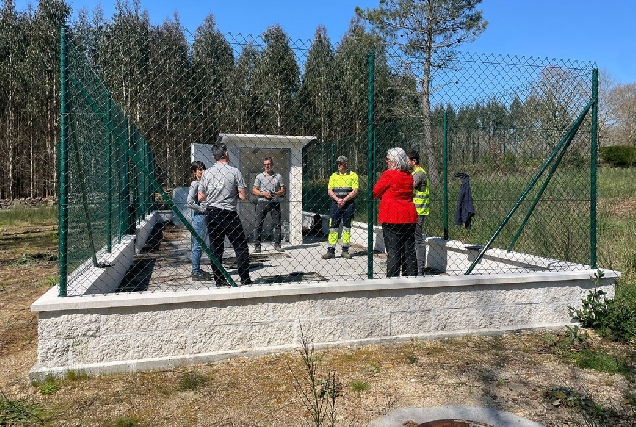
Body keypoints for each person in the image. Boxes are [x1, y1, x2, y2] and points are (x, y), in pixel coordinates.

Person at [198, 143, 252, 286]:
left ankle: (219, 280)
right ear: (226, 154)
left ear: (213, 157)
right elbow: (243, 196)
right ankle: (245, 279)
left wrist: (214, 195)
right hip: (228, 213)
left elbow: (200, 197)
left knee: (216, 247)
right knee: (240, 246)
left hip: (211, 212)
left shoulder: (207, 173)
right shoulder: (234, 172)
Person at [373, 147, 418, 277]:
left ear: (394, 161)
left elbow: (375, 192)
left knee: (393, 251)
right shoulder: (408, 176)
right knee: (409, 250)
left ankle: (392, 280)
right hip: (408, 216)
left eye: (388, 159)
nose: (386, 161)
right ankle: (412, 278)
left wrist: (384, 195)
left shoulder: (389, 175)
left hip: (392, 216)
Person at [322, 155, 359, 259]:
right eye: (338, 163)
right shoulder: (333, 176)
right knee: (333, 227)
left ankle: (345, 250)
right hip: (336, 204)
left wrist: (345, 199)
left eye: (341, 163)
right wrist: (338, 199)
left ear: (346, 164)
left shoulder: (353, 175)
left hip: (349, 204)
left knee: (347, 227)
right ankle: (331, 251)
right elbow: (330, 190)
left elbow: (355, 190)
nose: (339, 165)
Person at [252, 156, 286, 253]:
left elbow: (283, 190)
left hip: (274, 202)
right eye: (265, 164)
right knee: (258, 224)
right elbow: (254, 190)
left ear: (272, 165)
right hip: (262, 202)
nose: (267, 166)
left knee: (277, 224)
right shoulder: (259, 176)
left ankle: (277, 245)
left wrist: (277, 193)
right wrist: (264, 193)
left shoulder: (278, 176)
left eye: (269, 164)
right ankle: (257, 246)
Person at [187, 161, 212, 281]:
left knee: (202, 244)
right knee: (198, 245)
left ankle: (197, 269)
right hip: (199, 217)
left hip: (206, 216)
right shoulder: (195, 184)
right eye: (200, 169)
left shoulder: (205, 182)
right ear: (194, 172)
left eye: (204, 169)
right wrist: (202, 209)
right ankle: (195, 271)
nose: (203, 171)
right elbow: (189, 202)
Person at [407, 149, 430, 275]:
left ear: (414, 161)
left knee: (418, 239)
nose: (406, 162)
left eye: (408, 160)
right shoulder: (415, 173)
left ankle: (420, 269)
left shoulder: (419, 173)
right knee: (412, 238)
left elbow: (408, 187)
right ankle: (414, 266)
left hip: (419, 210)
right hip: (413, 210)